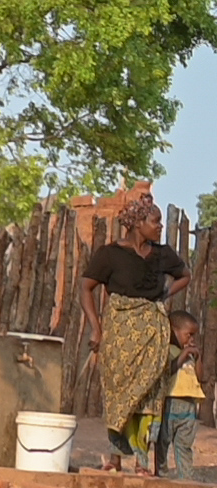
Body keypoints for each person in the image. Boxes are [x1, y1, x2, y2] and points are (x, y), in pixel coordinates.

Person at [79, 192, 189, 468]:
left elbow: (185, 276)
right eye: (155, 221)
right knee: (119, 393)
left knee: (150, 396)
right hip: (120, 332)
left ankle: (141, 461)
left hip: (153, 332)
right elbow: (86, 288)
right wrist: (96, 327)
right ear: (138, 222)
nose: (160, 226)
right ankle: (115, 458)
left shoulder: (162, 254)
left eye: (161, 221)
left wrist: (164, 294)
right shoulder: (110, 254)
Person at [162, 310, 207, 480]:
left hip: (188, 407)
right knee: (163, 443)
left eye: (193, 336)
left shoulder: (191, 355)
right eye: (188, 335)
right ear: (174, 331)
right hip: (170, 404)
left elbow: (200, 377)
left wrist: (198, 358)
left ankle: (185, 478)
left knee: (184, 445)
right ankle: (161, 476)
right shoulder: (169, 350)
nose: (191, 340)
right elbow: (168, 371)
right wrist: (183, 355)